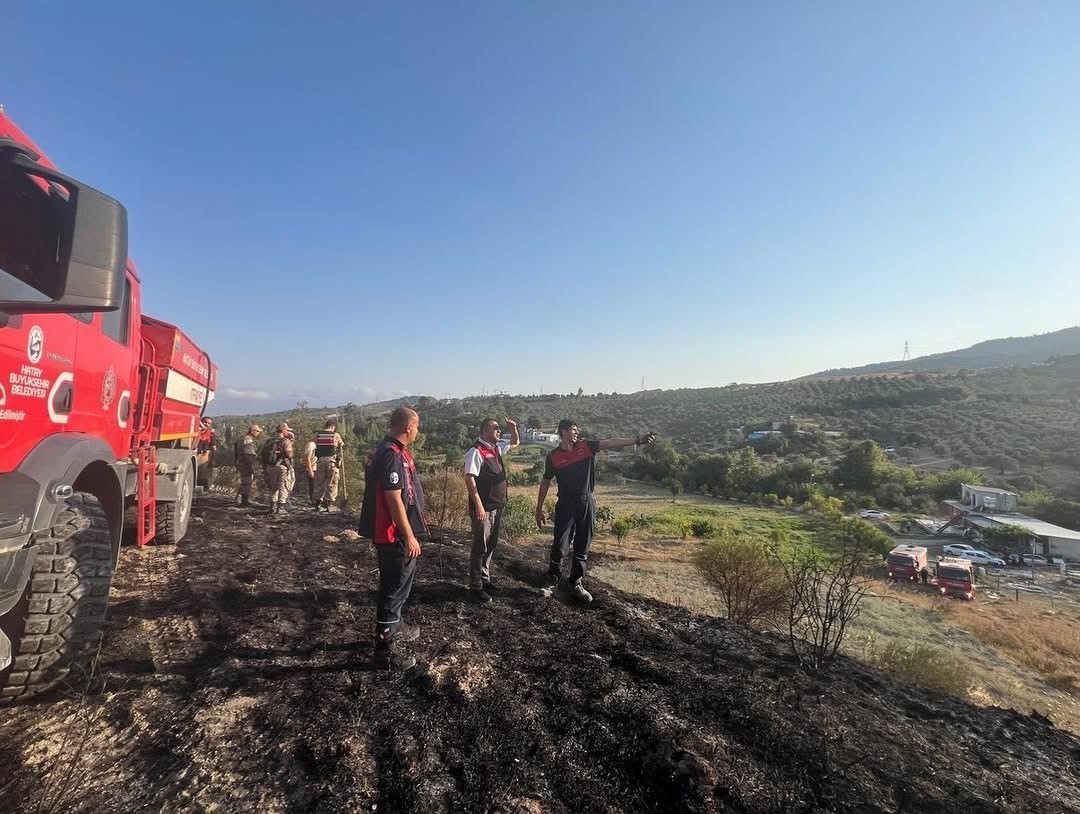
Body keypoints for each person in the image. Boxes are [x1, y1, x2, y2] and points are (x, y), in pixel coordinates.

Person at [535, 420, 655, 604]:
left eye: (576, 430)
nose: (577, 432)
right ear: (563, 432)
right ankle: (552, 580)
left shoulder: (586, 446)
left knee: (583, 545)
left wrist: (637, 440)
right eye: (574, 429)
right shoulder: (553, 457)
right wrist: (539, 508)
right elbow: (545, 482)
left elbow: (611, 442)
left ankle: (575, 582)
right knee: (560, 543)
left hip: (586, 501)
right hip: (566, 503)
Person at [361, 407, 426, 670]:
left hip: (399, 532)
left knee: (400, 585)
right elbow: (393, 498)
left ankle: (396, 625)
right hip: (394, 535)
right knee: (394, 588)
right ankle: (384, 651)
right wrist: (408, 535)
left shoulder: (395, 450)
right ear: (408, 427)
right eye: (417, 426)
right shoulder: (389, 454)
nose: (419, 431)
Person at [463, 417, 520, 604]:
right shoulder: (476, 451)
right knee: (480, 547)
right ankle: (475, 587)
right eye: (496, 428)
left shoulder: (494, 449)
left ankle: (485, 580)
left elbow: (515, 442)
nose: (499, 432)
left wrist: (513, 428)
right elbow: (469, 478)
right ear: (486, 430)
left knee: (491, 544)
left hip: (497, 506)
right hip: (484, 508)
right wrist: (478, 504)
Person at [262, 423, 295, 516]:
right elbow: (289, 454)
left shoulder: (269, 441)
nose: (288, 432)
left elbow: (263, 454)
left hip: (270, 466)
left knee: (274, 487)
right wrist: (291, 444)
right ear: (283, 431)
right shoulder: (285, 441)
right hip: (282, 466)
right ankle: (281, 507)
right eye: (287, 430)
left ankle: (272, 507)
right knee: (283, 486)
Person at [313, 418, 345, 512]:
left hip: (320, 460)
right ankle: (328, 504)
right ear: (333, 426)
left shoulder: (318, 435)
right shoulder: (335, 435)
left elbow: (315, 444)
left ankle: (318, 503)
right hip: (331, 461)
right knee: (332, 482)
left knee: (319, 481)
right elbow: (342, 445)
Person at [234, 424, 263, 507]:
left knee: (244, 482)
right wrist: (250, 466)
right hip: (245, 464)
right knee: (247, 482)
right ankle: (244, 502)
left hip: (240, 462)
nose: (258, 433)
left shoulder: (242, 438)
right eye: (257, 431)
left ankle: (240, 499)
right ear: (252, 431)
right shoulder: (248, 440)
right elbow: (248, 454)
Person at [197, 417, 218, 489]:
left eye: (209, 423)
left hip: (204, 456)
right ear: (201, 422)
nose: (206, 424)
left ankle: (203, 488)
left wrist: (213, 459)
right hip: (195, 454)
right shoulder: (195, 431)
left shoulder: (211, 434)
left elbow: (213, 447)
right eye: (205, 422)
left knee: (203, 474)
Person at [303, 437, 318, 505]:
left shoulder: (318, 445)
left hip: (318, 468)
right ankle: (313, 501)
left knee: (318, 486)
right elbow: (307, 458)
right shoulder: (311, 444)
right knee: (313, 485)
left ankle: (317, 501)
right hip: (312, 468)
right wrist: (310, 469)